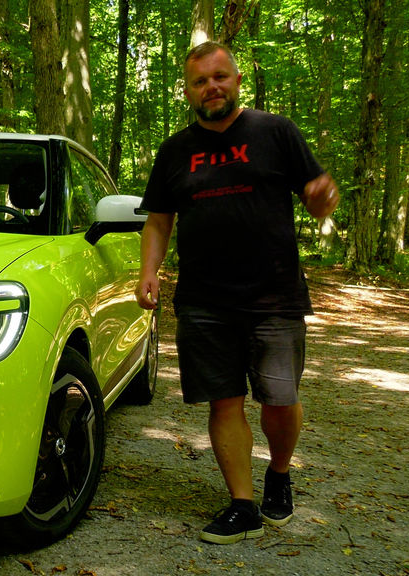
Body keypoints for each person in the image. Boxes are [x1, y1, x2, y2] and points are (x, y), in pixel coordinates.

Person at [136, 41, 339, 545]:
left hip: (274, 296)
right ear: (187, 91)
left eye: (220, 76)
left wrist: (323, 200)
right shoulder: (174, 151)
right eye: (200, 81)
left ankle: (280, 473)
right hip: (203, 299)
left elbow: (317, 197)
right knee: (223, 402)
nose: (212, 87)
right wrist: (149, 271)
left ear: (237, 80)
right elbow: (159, 220)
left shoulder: (276, 131)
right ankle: (242, 505)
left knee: (280, 400)